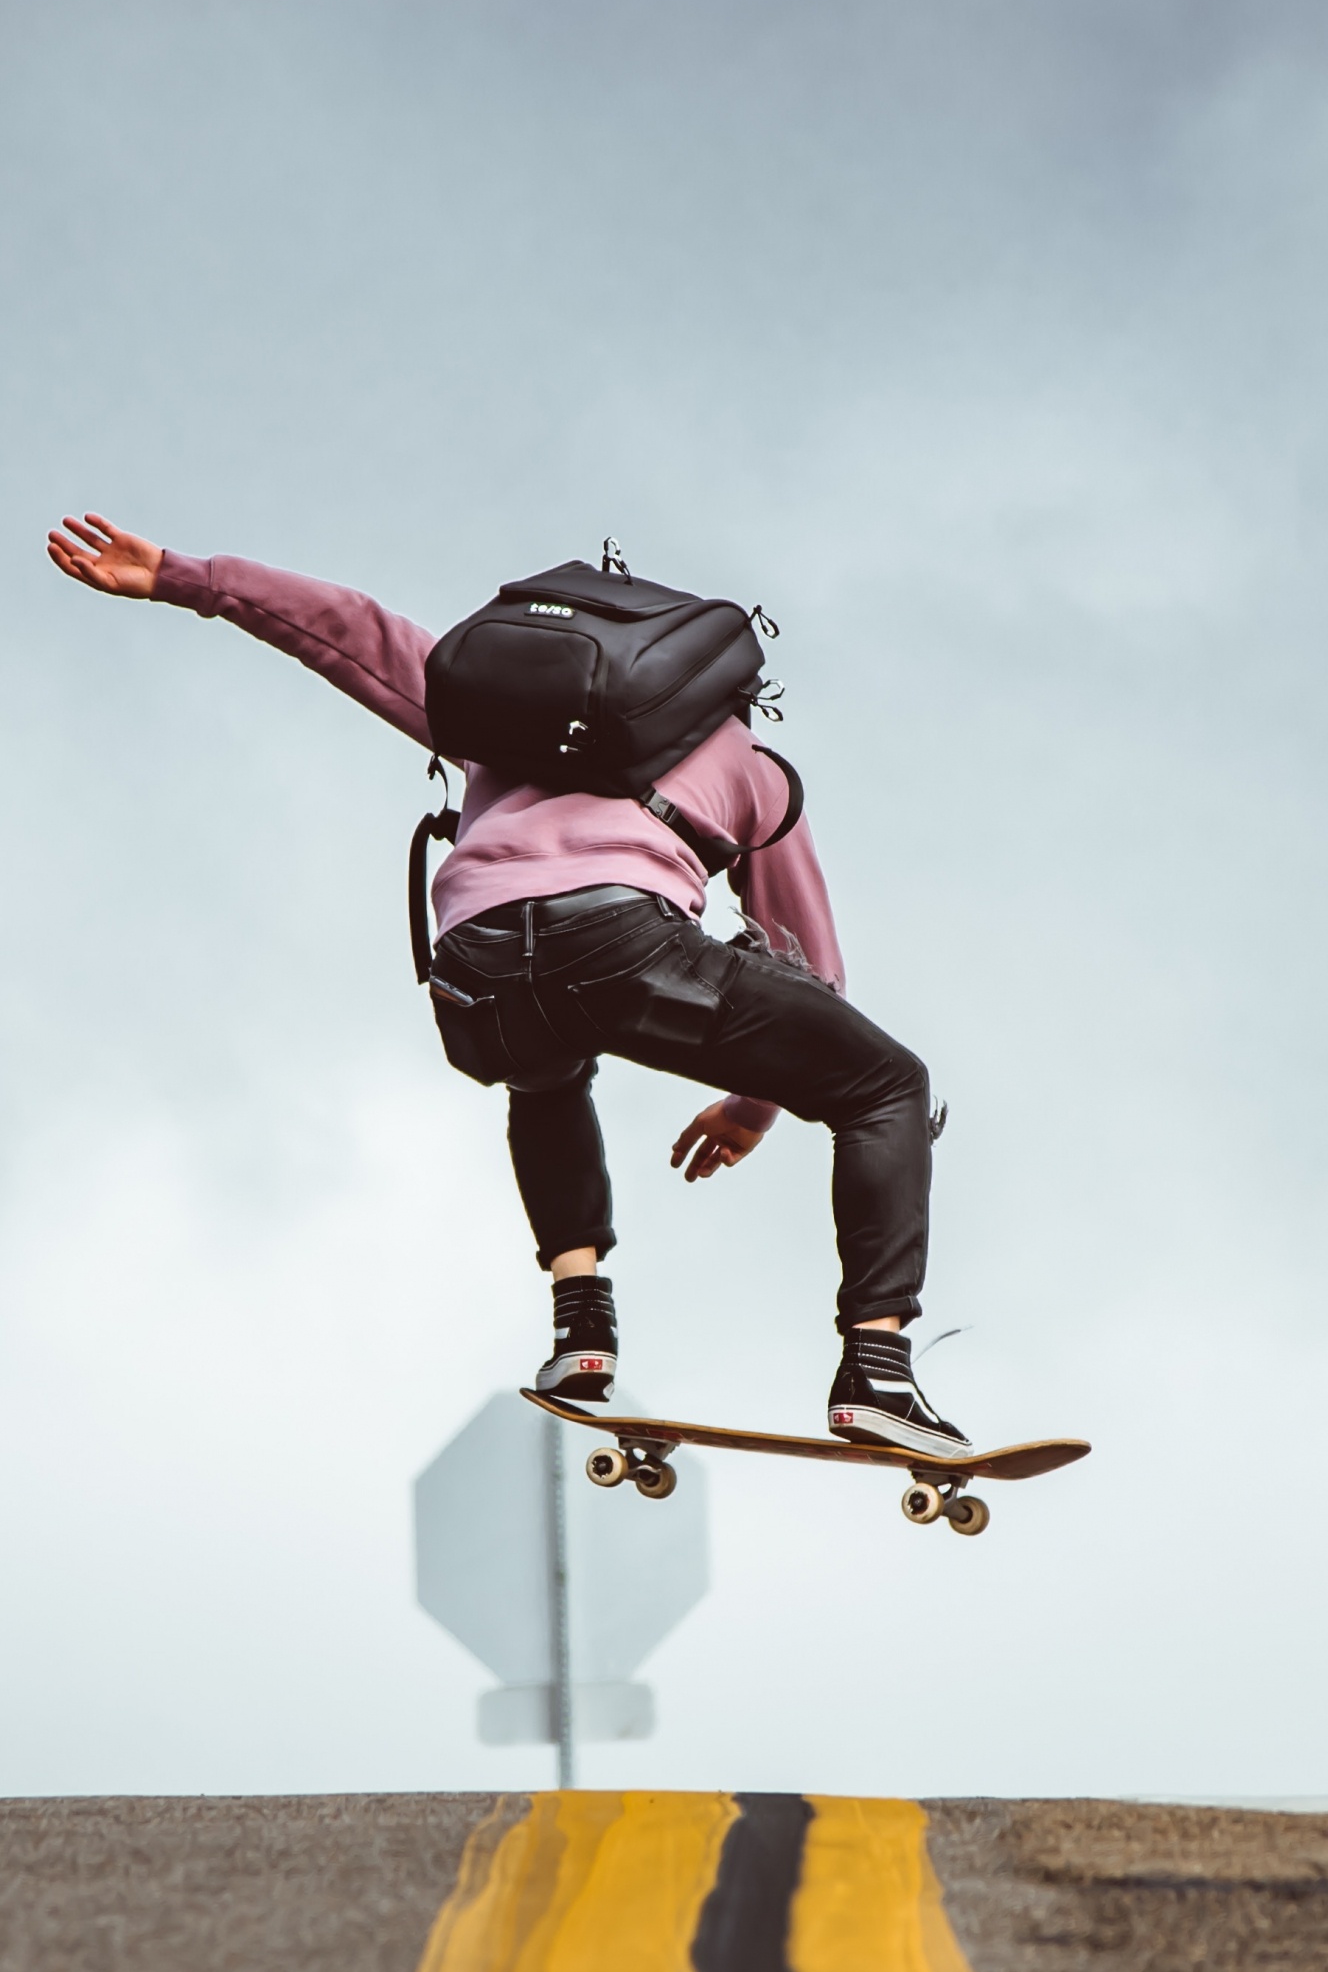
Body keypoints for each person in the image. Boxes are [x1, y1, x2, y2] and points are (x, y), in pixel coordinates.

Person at [45, 511, 969, 1456]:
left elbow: (346, 627)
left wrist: (185, 576)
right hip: (621, 944)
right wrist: (753, 1104)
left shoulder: (501, 716)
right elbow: (814, 971)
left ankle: (582, 1334)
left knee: (544, 1062)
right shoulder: (755, 770)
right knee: (887, 1084)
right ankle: (878, 1374)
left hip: (473, 977)